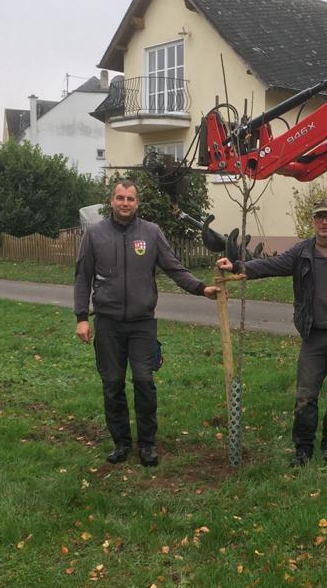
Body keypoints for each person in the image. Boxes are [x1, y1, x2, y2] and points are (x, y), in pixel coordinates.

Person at [217, 198, 327, 466]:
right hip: (313, 338)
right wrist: (238, 266)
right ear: (313, 222)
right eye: (320, 218)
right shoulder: (302, 252)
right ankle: (303, 450)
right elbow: (271, 265)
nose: (325, 222)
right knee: (305, 396)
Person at [74, 180, 219, 467]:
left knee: (144, 381)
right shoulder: (94, 234)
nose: (125, 203)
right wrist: (81, 318)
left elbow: (174, 268)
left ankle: (147, 444)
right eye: (120, 198)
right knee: (112, 384)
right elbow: (82, 277)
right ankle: (121, 443)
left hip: (142, 325)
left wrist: (201, 288)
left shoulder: (151, 233)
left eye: (130, 198)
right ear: (111, 201)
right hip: (108, 324)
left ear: (137, 203)